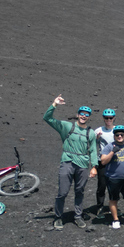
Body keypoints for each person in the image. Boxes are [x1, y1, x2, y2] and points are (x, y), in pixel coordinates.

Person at [43, 95, 98, 230]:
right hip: (67, 162)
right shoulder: (67, 126)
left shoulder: (90, 133)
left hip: (83, 165)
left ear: (89, 117)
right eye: (82, 114)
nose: (84, 116)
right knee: (62, 192)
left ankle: (78, 216)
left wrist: (94, 167)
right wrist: (54, 104)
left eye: (86, 115)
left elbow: (93, 150)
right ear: (77, 115)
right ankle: (58, 217)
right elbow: (47, 118)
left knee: (80, 192)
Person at [99, 125, 124, 231]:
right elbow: (103, 162)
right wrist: (112, 152)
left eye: (121, 134)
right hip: (113, 177)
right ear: (114, 136)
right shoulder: (109, 147)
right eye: (117, 135)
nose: (119, 136)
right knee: (113, 199)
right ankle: (115, 220)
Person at [93, 108, 116, 217]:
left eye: (110, 118)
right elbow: (93, 145)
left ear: (114, 118)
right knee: (102, 185)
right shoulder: (98, 130)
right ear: (103, 118)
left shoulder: (117, 130)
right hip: (102, 161)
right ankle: (100, 207)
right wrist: (97, 138)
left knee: (114, 185)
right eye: (106, 118)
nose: (108, 120)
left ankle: (114, 207)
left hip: (115, 161)